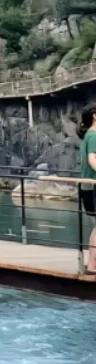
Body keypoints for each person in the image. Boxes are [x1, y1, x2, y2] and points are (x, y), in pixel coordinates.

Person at [80, 106, 96, 272]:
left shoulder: (88, 135)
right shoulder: (94, 135)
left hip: (87, 186)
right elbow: (92, 160)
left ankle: (92, 264)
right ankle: (92, 266)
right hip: (93, 186)